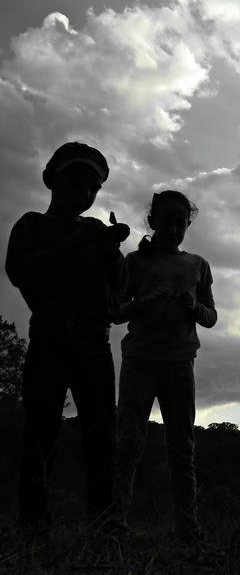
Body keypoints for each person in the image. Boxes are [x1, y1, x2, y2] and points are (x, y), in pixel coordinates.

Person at [5, 142, 129, 532]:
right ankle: (33, 525)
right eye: (76, 180)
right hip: (50, 338)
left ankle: (103, 524)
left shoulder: (94, 232)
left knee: (101, 436)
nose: (86, 192)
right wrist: (81, 242)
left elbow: (119, 290)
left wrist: (113, 253)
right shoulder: (31, 225)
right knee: (41, 434)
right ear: (51, 180)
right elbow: (20, 272)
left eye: (93, 186)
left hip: (94, 341)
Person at [111, 190, 217, 544]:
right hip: (140, 360)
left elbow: (211, 317)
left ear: (187, 225)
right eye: (168, 222)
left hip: (180, 363)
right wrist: (142, 303)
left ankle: (188, 528)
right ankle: (115, 525)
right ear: (152, 222)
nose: (174, 229)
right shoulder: (134, 262)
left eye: (181, 223)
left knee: (182, 447)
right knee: (128, 442)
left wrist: (193, 308)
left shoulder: (198, 265)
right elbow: (116, 311)